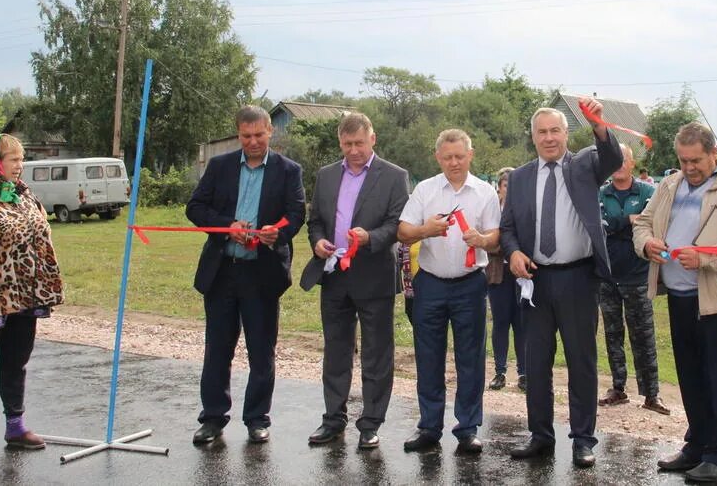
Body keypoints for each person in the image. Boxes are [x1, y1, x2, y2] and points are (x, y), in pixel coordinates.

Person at [633, 123, 717, 483]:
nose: (689, 167)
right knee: (690, 377)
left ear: (713, 153)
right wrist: (646, 244)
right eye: (683, 160)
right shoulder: (669, 184)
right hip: (679, 296)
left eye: (696, 161)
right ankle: (696, 445)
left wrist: (704, 257)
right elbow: (642, 223)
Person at [501, 98, 622, 469]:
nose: (549, 138)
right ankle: (540, 435)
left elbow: (613, 159)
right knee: (536, 365)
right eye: (542, 132)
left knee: (581, 362)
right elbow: (507, 229)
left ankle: (583, 439)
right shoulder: (519, 177)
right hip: (535, 282)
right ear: (533, 137)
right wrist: (514, 253)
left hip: (578, 279)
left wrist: (599, 125)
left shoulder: (584, 165)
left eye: (555, 131)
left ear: (566, 134)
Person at [187, 106, 306, 445]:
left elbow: (296, 214)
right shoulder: (220, 166)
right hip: (223, 270)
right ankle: (212, 418)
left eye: (259, 135)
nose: (253, 141)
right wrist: (228, 227)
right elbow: (195, 207)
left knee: (261, 349)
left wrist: (276, 232)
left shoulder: (288, 171)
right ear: (238, 134)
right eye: (246, 136)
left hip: (262, 273)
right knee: (218, 349)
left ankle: (257, 419)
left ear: (271, 131)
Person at [299, 112, 409, 449]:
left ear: (372, 139)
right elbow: (315, 220)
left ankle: (370, 424)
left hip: (373, 276)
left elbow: (398, 225)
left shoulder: (394, 176)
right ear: (340, 143)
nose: (353, 150)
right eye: (347, 144)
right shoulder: (327, 175)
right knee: (336, 351)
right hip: (333, 276)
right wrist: (317, 242)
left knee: (376, 354)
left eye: (359, 143)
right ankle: (333, 420)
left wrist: (370, 237)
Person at [397, 129, 501, 454]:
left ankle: (467, 428)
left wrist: (483, 241)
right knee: (428, 358)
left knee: (470, 359)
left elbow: (497, 235)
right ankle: (429, 427)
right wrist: (425, 230)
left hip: (470, 284)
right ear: (437, 157)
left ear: (470, 155)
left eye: (459, 156)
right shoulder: (425, 189)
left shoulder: (485, 192)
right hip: (430, 282)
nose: (454, 162)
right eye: (447, 157)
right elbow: (403, 231)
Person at [0, 134, 64, 449]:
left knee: (15, 361)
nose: (19, 166)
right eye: (13, 160)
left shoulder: (23, 195)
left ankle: (15, 426)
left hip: (23, 298)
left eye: (22, 160)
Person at [597, 144, 667, 415]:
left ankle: (651, 393)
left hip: (638, 276)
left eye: (622, 159)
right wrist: (628, 220)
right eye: (613, 160)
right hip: (609, 276)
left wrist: (621, 225)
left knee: (643, 337)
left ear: (632, 163)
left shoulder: (648, 192)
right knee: (612, 334)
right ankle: (618, 387)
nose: (618, 165)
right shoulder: (601, 193)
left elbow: (650, 225)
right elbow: (601, 226)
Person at [487, 167, 526, 393]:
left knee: (521, 323)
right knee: (500, 322)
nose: (509, 190)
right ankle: (499, 371)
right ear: (499, 189)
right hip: (497, 274)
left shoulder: (524, 211)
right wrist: (507, 246)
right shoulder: (492, 212)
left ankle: (524, 373)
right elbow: (488, 242)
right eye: (505, 186)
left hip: (520, 275)